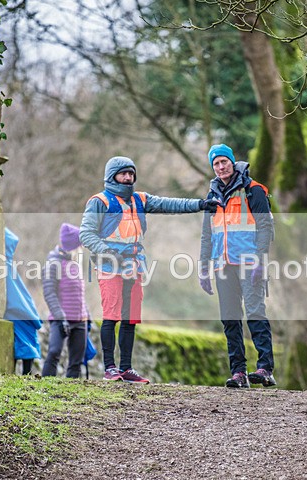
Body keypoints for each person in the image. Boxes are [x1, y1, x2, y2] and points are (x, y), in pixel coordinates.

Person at [80, 156, 220, 383]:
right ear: (111, 176)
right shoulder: (99, 201)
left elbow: (170, 204)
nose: (128, 177)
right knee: (112, 315)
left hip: (135, 264)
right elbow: (86, 233)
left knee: (130, 318)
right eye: (123, 173)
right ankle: (110, 368)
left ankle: (126, 368)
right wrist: (109, 252)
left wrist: (200, 204)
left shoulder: (140, 199)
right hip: (109, 265)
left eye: (131, 173)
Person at [198, 144, 276, 388]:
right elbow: (206, 236)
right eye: (216, 164)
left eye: (224, 162)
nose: (221, 167)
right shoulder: (212, 198)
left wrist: (261, 260)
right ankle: (238, 373)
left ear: (232, 161)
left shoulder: (254, 191)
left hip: (250, 263)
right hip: (223, 266)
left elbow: (266, 228)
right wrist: (203, 268)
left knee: (255, 313)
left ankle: (265, 368)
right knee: (230, 319)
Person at [41, 223, 92, 378]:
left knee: (76, 361)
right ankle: (45, 387)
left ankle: (71, 394)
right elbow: (49, 293)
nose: (82, 249)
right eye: (80, 246)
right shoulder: (52, 264)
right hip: (60, 318)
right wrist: (61, 317)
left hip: (80, 319)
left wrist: (87, 315)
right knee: (54, 352)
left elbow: (79, 293)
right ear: (72, 246)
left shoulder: (75, 263)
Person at [4, 227, 42, 375]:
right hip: (18, 310)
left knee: (24, 338)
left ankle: (25, 374)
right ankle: (26, 374)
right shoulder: (5, 265)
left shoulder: (5, 265)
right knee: (25, 337)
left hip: (18, 310)